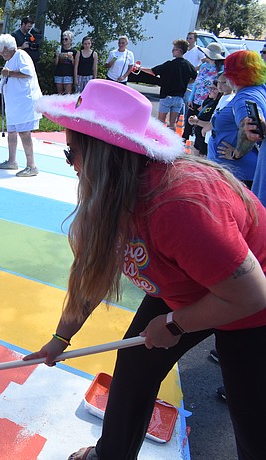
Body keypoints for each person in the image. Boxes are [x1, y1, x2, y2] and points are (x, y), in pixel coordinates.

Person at [31, 78, 266, 460]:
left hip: (252, 307)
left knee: (252, 413)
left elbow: (252, 294)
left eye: (70, 153)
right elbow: (92, 276)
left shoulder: (178, 205)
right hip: (189, 289)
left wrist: (175, 324)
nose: (70, 165)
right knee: (135, 366)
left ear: (101, 153)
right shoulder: (112, 195)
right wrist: (60, 339)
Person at [0, 34, 42, 178]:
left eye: (1, 50)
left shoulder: (20, 55)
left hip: (25, 103)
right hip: (14, 105)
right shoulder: (9, 62)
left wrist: (10, 73)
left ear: (7, 48)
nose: (0, 53)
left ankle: (32, 166)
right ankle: (12, 161)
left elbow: (28, 73)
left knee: (24, 133)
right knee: (12, 132)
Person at [207, 50, 266, 189]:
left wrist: (236, 154)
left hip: (237, 177)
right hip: (242, 174)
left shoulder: (244, 97)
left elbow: (250, 125)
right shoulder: (259, 89)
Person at [140, 39, 197, 131]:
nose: (172, 51)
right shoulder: (188, 65)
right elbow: (195, 77)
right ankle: (171, 143)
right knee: (172, 123)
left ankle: (158, 141)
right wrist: (187, 82)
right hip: (179, 98)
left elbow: (153, 71)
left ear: (179, 51)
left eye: (174, 49)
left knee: (161, 122)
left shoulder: (169, 64)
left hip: (166, 96)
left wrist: (140, 68)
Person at [183, 42, 224, 141]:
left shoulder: (221, 70)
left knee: (200, 129)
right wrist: (191, 98)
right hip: (196, 99)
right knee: (188, 125)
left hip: (208, 102)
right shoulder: (203, 66)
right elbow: (197, 83)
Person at [187, 79, 219, 156]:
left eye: (214, 89)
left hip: (206, 138)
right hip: (198, 136)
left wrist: (197, 121)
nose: (210, 90)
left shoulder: (217, 105)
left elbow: (213, 124)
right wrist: (194, 119)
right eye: (210, 88)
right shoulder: (208, 101)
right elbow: (201, 114)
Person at [54, 30, 76, 94]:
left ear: (70, 40)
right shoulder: (59, 50)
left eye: (66, 39)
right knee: (59, 93)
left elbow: (75, 65)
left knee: (68, 93)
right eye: (63, 39)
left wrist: (72, 59)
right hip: (59, 74)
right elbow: (55, 64)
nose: (64, 41)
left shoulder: (74, 52)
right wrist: (57, 56)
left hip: (68, 74)